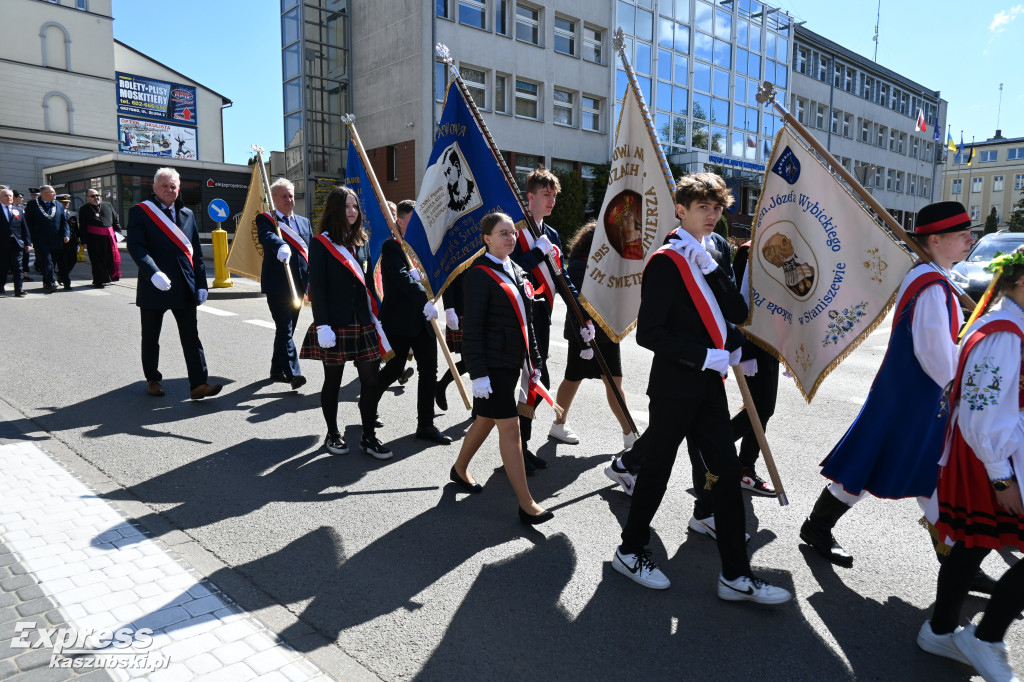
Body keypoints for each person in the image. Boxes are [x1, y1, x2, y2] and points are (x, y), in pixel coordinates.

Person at [602, 173, 791, 604]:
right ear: (681, 210)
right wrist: (705, 356)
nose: (712, 215)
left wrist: (731, 334)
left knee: (724, 474)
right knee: (656, 472)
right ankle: (630, 551)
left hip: (709, 384)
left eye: (717, 207)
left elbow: (736, 311)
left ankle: (736, 575)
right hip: (675, 384)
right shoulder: (667, 261)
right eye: (702, 207)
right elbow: (649, 333)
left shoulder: (714, 251)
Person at [800, 201, 975, 568]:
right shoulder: (931, 285)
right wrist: (965, 390)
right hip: (915, 396)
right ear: (936, 240)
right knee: (874, 464)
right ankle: (817, 528)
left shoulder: (935, 277)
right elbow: (935, 354)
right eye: (962, 235)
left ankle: (958, 565)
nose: (970, 240)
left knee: (924, 473)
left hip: (912, 395)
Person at [918, 245, 1024, 682]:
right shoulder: (1004, 333)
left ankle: (941, 630)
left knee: (977, 540)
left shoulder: (1008, 324)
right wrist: (1002, 478)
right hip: (995, 458)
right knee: (979, 539)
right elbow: (982, 411)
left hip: (997, 452)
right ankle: (986, 639)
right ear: (1019, 281)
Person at [450, 212, 553, 525]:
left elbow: (528, 324)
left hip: (512, 363)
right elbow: (473, 330)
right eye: (502, 233)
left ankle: (459, 469)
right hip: (491, 367)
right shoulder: (479, 275)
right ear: (486, 239)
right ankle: (526, 503)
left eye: (512, 233)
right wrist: (478, 374)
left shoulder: (517, 269)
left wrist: (534, 363)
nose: (510, 238)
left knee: (485, 419)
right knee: (510, 428)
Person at [299, 186, 392, 460]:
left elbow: (369, 285)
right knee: (333, 383)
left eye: (355, 207)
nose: (352, 211)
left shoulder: (361, 243)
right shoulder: (320, 243)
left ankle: (368, 436)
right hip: (336, 324)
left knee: (371, 381)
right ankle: (332, 433)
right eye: (347, 206)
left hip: (363, 323)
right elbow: (318, 287)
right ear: (335, 210)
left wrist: (379, 318)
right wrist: (323, 325)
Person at [511, 168, 594, 471]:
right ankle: (516, 447)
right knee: (531, 380)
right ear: (530, 197)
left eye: (554, 195)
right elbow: (509, 269)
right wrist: (534, 254)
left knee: (534, 381)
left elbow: (563, 279)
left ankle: (520, 446)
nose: (552, 200)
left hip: (542, 317)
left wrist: (583, 317)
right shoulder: (516, 231)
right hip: (519, 317)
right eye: (546, 195)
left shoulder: (553, 234)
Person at [127, 167, 222, 401]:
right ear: (155, 187)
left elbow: (196, 254)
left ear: (178, 189)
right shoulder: (141, 212)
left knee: (191, 336)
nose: (169, 190)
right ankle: (153, 379)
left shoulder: (187, 214)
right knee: (151, 337)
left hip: (184, 285)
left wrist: (202, 284)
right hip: (155, 284)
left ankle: (199, 384)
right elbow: (137, 247)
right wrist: (153, 273)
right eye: (165, 186)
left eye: (173, 186)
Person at [548, 220, 635, 450]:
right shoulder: (579, 265)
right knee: (572, 379)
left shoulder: (610, 265)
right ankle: (559, 423)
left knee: (614, 383)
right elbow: (576, 305)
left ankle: (629, 434)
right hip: (583, 334)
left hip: (606, 333)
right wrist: (584, 340)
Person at [376, 199, 451, 444]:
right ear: (400, 221)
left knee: (429, 371)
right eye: (413, 221)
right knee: (394, 369)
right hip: (400, 320)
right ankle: (368, 403)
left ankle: (426, 425)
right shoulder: (392, 247)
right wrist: (423, 298)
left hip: (424, 320)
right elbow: (402, 280)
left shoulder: (423, 247)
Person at [257, 178, 312, 390]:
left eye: (291, 195)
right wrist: (280, 244)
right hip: (279, 285)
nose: (289, 199)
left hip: (299, 284)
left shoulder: (303, 222)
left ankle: (276, 368)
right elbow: (266, 236)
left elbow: (310, 250)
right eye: (284, 196)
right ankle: (293, 374)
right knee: (285, 328)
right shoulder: (266, 220)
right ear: (273, 199)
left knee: (286, 330)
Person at [23, 185, 70, 291]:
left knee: (52, 262)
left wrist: (66, 234)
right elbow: (28, 223)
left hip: (57, 239)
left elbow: (64, 222)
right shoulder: (32, 204)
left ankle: (46, 281)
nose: (55, 194)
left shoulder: (58, 204)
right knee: (47, 261)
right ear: (44, 194)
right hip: (41, 239)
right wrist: (29, 239)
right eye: (53, 192)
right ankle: (51, 282)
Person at [435, 269, 466, 411]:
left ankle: (441, 385)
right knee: (471, 361)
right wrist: (449, 308)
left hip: (482, 309)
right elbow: (448, 277)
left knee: (477, 361)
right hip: (462, 309)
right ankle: (441, 385)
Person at [79, 189, 122, 287]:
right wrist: (84, 241)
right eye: (93, 196)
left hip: (109, 238)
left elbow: (116, 221)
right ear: (87, 198)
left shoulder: (108, 205)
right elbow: (82, 227)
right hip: (93, 240)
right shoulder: (84, 209)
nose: (96, 197)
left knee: (110, 259)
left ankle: (110, 277)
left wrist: (118, 234)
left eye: (97, 195)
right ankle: (99, 281)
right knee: (97, 260)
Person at [0, 188, 31, 297]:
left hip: (16, 243)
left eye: (10, 196)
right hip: (2, 244)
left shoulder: (18, 209)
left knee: (18, 267)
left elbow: (24, 227)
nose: (8, 197)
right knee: (2, 267)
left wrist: (27, 243)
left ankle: (18, 289)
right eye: (5, 195)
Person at [56, 194, 80, 289]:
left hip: (72, 242)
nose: (66, 204)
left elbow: (76, 229)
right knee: (63, 262)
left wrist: (79, 241)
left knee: (73, 260)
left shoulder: (73, 214)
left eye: (67, 202)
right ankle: (66, 282)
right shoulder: (55, 213)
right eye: (63, 202)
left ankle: (61, 274)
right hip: (61, 242)